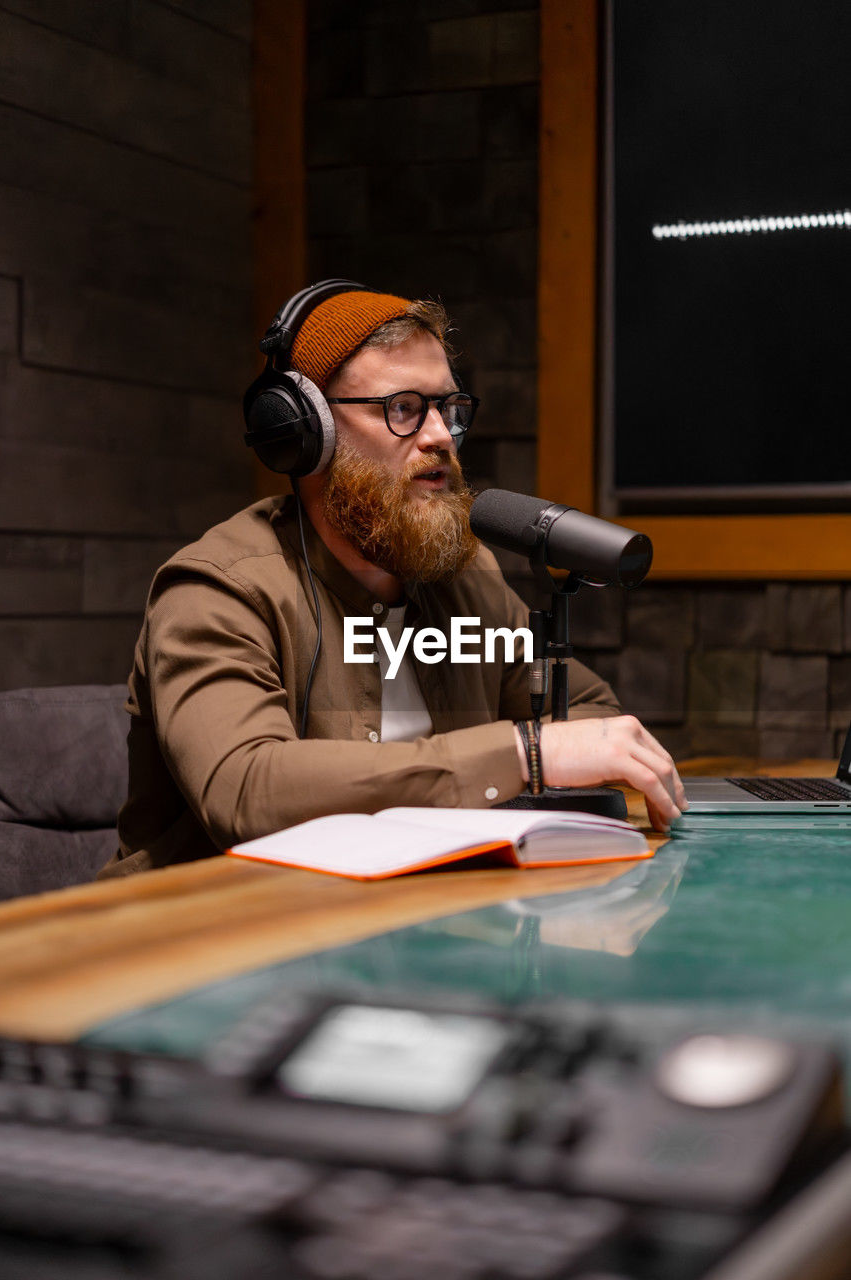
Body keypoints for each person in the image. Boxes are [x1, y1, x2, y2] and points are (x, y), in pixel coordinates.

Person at [101, 283, 684, 877]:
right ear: (307, 432)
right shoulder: (218, 591)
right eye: (403, 408)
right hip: (204, 939)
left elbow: (586, 709)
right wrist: (522, 756)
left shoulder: (464, 580)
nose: (438, 436)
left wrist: (560, 753)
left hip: (406, 927)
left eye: (448, 410)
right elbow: (247, 789)